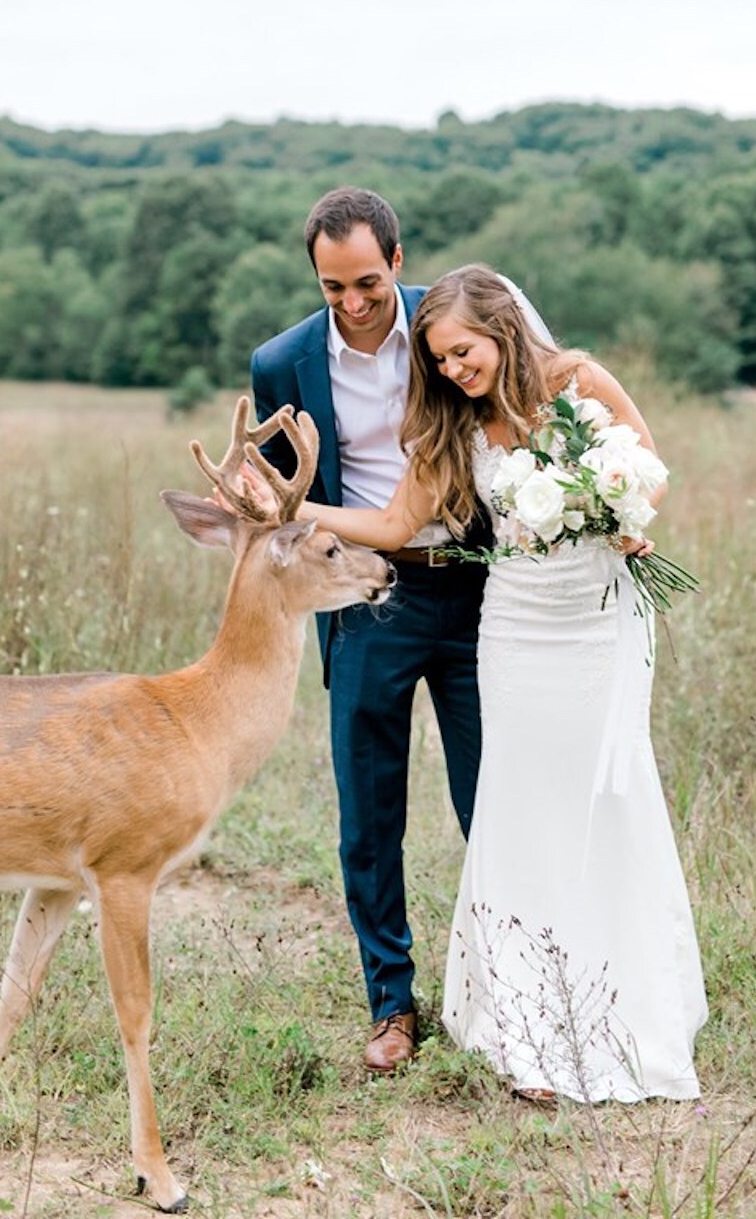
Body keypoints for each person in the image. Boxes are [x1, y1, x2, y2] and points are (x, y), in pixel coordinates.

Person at [290, 263, 707, 1104]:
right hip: (514, 624)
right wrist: (292, 510)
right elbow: (395, 523)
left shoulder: (578, 379)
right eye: (440, 360)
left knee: (605, 790)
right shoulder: (458, 423)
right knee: (517, 801)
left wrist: (616, 510)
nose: (452, 371)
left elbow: (650, 466)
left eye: (463, 353)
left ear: (503, 329)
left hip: (596, 617)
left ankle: (621, 989)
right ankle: (524, 1012)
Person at [250, 188, 488, 1074]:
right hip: (361, 608)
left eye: (365, 283)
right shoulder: (280, 363)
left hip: (472, 589)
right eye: (330, 288)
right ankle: (393, 1006)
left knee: (490, 803)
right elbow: (283, 505)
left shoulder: (449, 322)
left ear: (396, 259)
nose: (351, 304)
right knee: (368, 818)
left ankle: (501, 992)